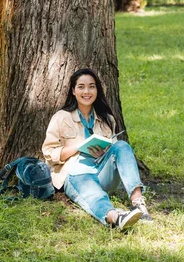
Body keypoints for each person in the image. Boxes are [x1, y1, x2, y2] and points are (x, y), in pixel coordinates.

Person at [42, 68, 152, 230]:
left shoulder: (107, 119)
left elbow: (115, 151)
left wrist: (106, 151)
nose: (86, 91)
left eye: (91, 86)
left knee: (121, 145)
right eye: (81, 87)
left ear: (97, 90)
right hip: (76, 175)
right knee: (94, 194)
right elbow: (50, 154)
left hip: (102, 172)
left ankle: (139, 205)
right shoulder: (61, 117)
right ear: (73, 91)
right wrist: (78, 147)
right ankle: (115, 217)